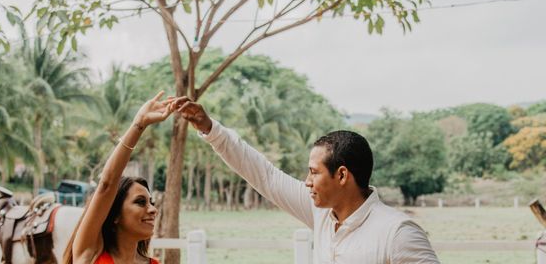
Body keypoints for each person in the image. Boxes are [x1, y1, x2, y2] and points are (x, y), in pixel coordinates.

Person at [173, 99, 440, 264]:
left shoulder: (398, 233)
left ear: (342, 175)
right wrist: (210, 128)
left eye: (314, 172)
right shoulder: (321, 213)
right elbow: (264, 175)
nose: (307, 181)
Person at [65, 91, 180, 264]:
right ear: (115, 214)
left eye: (151, 203)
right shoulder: (90, 254)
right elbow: (107, 184)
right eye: (141, 202)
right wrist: (139, 124)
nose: (153, 210)